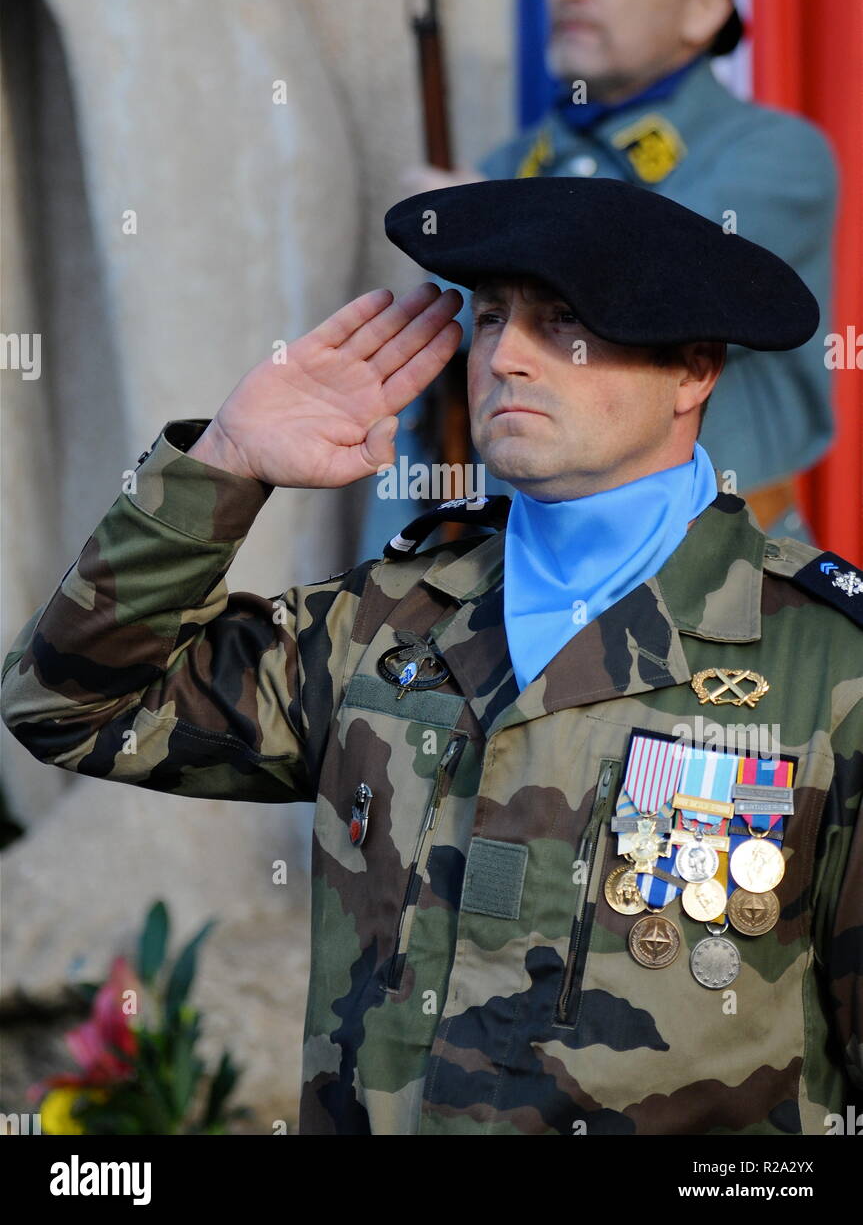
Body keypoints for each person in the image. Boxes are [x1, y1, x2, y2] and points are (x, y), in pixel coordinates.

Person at [2, 179, 860, 1138]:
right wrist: (225, 466)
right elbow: (65, 706)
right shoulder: (387, 617)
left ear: (693, 370)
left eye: (562, 323)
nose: (506, 358)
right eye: (490, 320)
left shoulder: (825, 663)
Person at [359, 0, 837, 561]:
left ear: (703, 7)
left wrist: (480, 214)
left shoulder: (772, 152)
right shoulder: (505, 170)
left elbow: (650, 278)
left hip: (718, 571)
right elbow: (434, 400)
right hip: (522, 574)